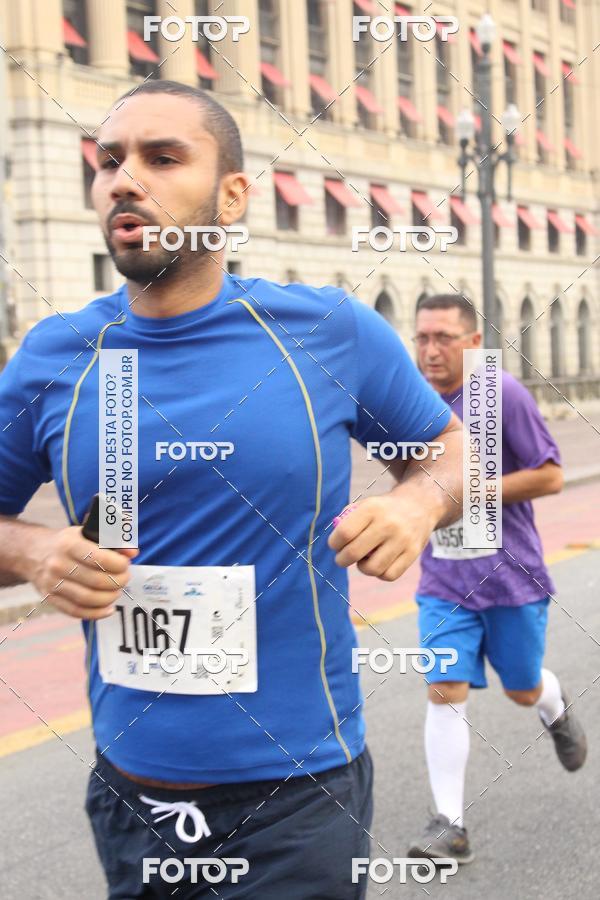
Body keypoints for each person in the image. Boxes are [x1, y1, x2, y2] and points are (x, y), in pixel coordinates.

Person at [0, 81, 463, 899]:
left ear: (234, 195)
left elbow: (459, 453)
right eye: (108, 162)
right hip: (131, 796)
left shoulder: (328, 331)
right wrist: (34, 552)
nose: (123, 180)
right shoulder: (54, 356)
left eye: (162, 158)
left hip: (298, 796)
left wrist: (416, 504)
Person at [407, 293, 587, 865]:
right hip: (443, 579)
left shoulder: (500, 393)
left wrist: (473, 490)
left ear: (473, 343)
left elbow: (550, 476)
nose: (430, 350)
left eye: (443, 338)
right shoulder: (410, 400)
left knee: (521, 687)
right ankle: (450, 825)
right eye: (422, 337)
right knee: (444, 688)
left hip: (512, 577)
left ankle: (553, 705)